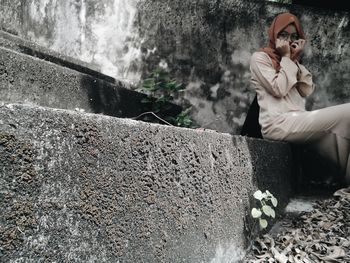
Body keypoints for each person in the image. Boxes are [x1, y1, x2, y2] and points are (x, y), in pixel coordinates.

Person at [247, 12, 350, 186]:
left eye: (294, 36)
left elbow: (306, 89)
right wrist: (287, 58)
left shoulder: (291, 62)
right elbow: (278, 88)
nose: (288, 41)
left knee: (343, 139)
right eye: (283, 35)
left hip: (297, 121)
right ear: (274, 34)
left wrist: (293, 59)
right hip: (278, 124)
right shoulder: (260, 58)